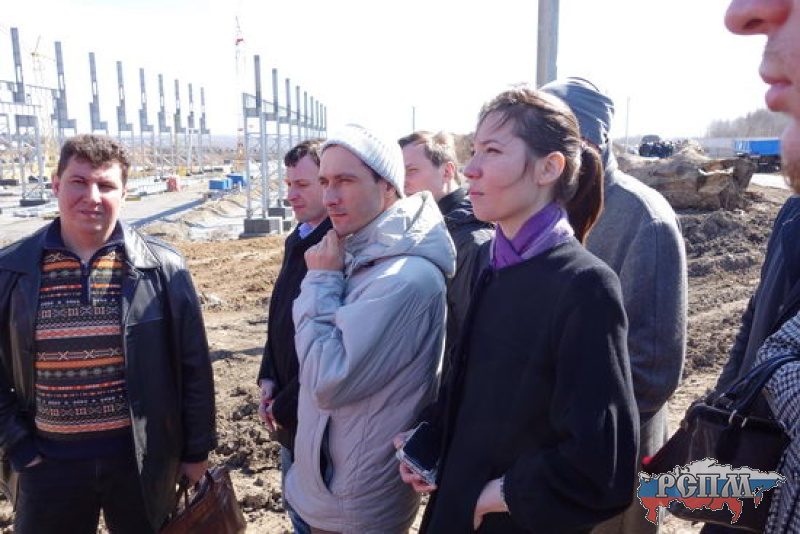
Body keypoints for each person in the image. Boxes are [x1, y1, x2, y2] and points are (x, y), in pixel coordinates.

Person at [397, 87, 639, 534]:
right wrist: (428, 440)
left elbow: (602, 464)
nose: (470, 168)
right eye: (474, 150)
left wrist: (501, 495)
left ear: (549, 167)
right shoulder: (492, 265)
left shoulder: (586, 286)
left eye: (492, 151)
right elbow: (478, 397)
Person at [0, 134, 216, 534]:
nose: (92, 197)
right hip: (47, 466)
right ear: (56, 185)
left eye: (106, 185)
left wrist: (196, 450)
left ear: (124, 192)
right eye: (78, 182)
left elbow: (194, 367)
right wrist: (18, 445)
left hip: (141, 463)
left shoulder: (162, 268)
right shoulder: (11, 270)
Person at [284, 124, 456, 534]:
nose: (330, 197)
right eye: (324, 181)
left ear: (388, 186)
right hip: (330, 489)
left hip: (352, 505)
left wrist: (321, 281)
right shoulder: (360, 251)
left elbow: (327, 381)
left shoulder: (403, 278)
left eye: (345, 181)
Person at [542, 77, 687, 534]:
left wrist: (576, 435)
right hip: (556, 453)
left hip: (613, 465)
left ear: (591, 139)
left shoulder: (644, 218)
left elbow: (651, 369)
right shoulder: (548, 207)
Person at [717, 1, 800, 532]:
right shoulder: (792, 214)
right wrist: (722, 400)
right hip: (748, 457)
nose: (739, 14)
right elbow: (755, 322)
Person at [257, 138, 330, 534]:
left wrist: (288, 403)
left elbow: (330, 343)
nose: (291, 195)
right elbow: (280, 317)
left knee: (315, 517)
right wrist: (268, 375)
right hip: (288, 410)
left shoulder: (337, 246)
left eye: (302, 185)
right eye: (288, 184)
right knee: (297, 508)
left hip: (318, 421)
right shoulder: (299, 237)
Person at [398, 131, 493, 368]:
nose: (402, 182)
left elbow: (471, 340)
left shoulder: (470, 241)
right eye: (399, 173)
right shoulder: (419, 229)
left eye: (411, 171)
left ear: (448, 171)